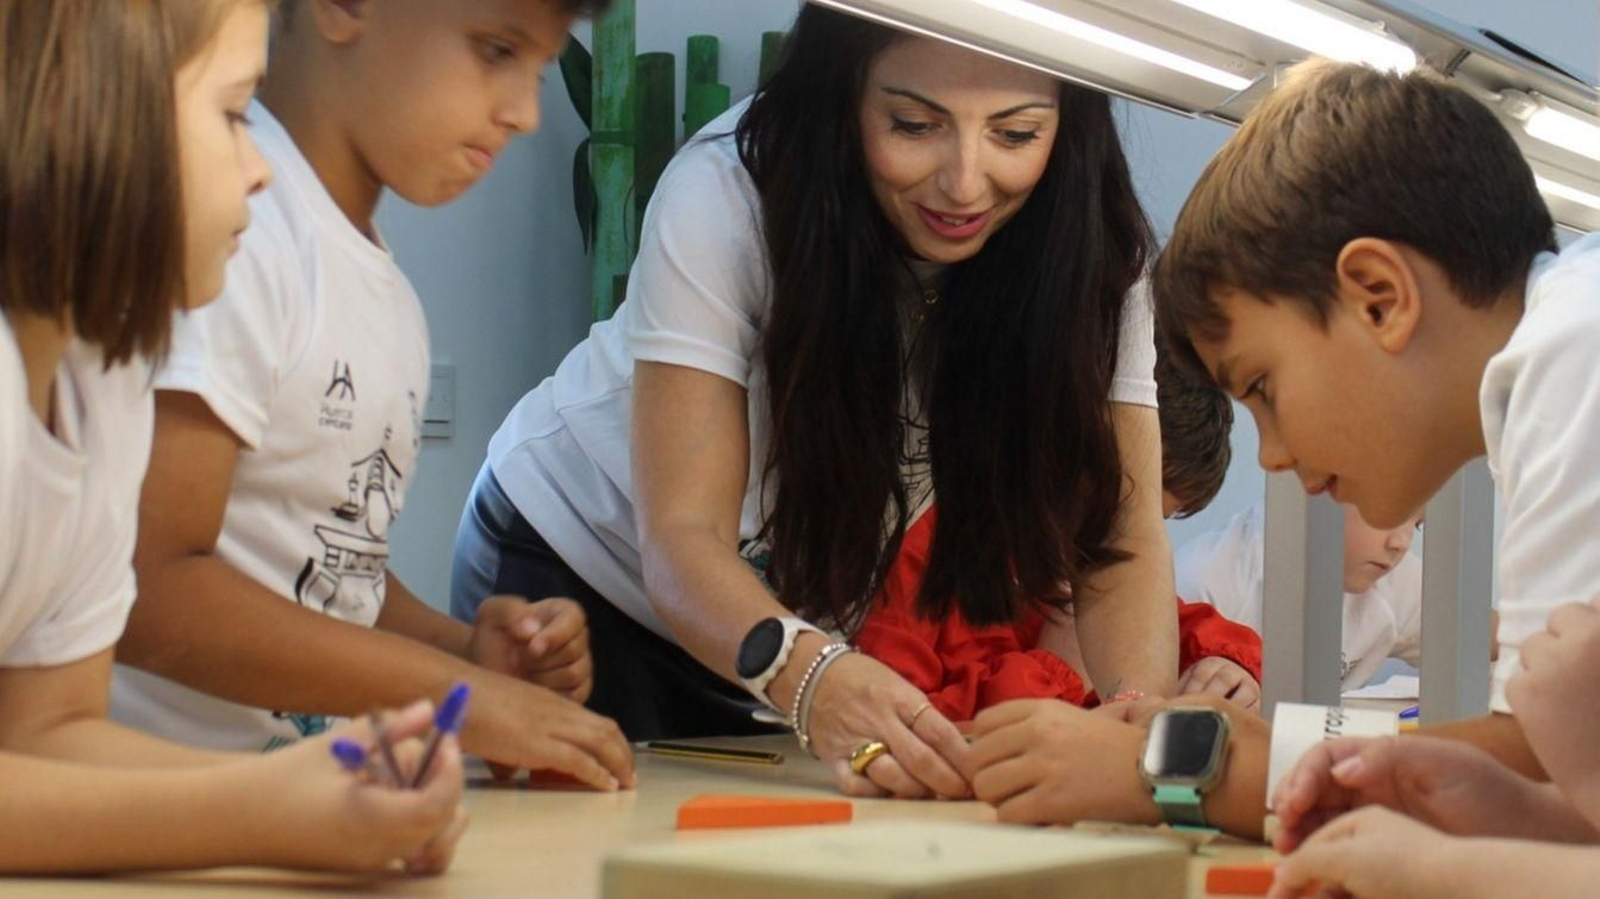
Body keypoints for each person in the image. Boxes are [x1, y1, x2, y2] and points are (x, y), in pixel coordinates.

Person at [454, 2, 1177, 800]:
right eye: (913, 124)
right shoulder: (728, 192)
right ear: (845, 94)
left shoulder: (1097, 244)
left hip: (778, 626)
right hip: (582, 578)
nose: (966, 182)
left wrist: (1140, 731)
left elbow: (1123, 527)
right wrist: (816, 677)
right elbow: (684, 537)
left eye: (1015, 134)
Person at [971, 56, 1599, 842]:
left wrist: (1173, 771)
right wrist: (1257, 749)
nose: (1270, 455)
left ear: (1380, 296)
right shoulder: (1561, 346)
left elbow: (1538, 781)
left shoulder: (1575, 355)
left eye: (1262, 387)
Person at [110, 0, 636, 793]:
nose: (526, 112)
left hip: (292, 819)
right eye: (495, 49)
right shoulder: (233, 234)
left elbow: (320, 565)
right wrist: (453, 694)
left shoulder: (387, 298)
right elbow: (147, 584)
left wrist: (459, 652)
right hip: (144, 816)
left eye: (537, 66)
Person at [0, 0, 464, 874]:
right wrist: (262, 810)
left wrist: (331, 791)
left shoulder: (100, 385)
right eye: (231, 114)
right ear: (82, 111)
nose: (260, 170)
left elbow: (48, 733)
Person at [854, 346, 1263, 719]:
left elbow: (1188, 626)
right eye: (1107, 505)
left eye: (1152, 522)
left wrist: (1228, 667)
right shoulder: (926, 546)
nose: (1110, 533)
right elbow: (894, 721)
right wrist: (1057, 668)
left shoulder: (1102, 566)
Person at [1177, 501, 1424, 690]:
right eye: (1390, 514)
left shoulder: (1398, 578)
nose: (1402, 543)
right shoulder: (1203, 578)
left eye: (1417, 524)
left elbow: (1459, 665)